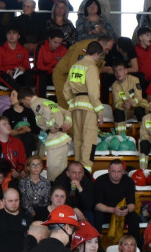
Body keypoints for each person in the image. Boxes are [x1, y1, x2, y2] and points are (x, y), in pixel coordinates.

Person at [62, 39, 103, 172]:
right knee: (89, 141)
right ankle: (85, 173)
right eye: (99, 56)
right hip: (90, 108)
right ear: (96, 54)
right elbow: (93, 93)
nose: (98, 59)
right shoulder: (91, 67)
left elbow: (66, 90)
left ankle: (76, 172)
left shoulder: (75, 66)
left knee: (78, 140)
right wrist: (100, 112)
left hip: (76, 107)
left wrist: (72, 103)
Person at [93, 159, 139, 240]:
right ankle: (97, 244)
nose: (116, 174)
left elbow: (132, 204)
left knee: (134, 217)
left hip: (123, 211)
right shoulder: (100, 181)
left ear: (123, 171)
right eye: (113, 171)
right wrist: (113, 210)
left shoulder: (129, 181)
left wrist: (127, 210)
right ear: (109, 171)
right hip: (106, 211)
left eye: (119, 171)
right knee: (97, 215)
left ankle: (134, 245)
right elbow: (97, 205)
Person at [109, 62, 146, 137]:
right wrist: (123, 104)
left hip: (137, 106)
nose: (118, 73)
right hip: (125, 110)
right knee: (117, 112)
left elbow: (139, 98)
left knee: (140, 110)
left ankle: (144, 137)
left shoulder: (134, 80)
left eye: (120, 70)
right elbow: (116, 102)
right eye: (115, 71)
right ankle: (121, 138)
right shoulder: (114, 85)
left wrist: (130, 102)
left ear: (126, 71)